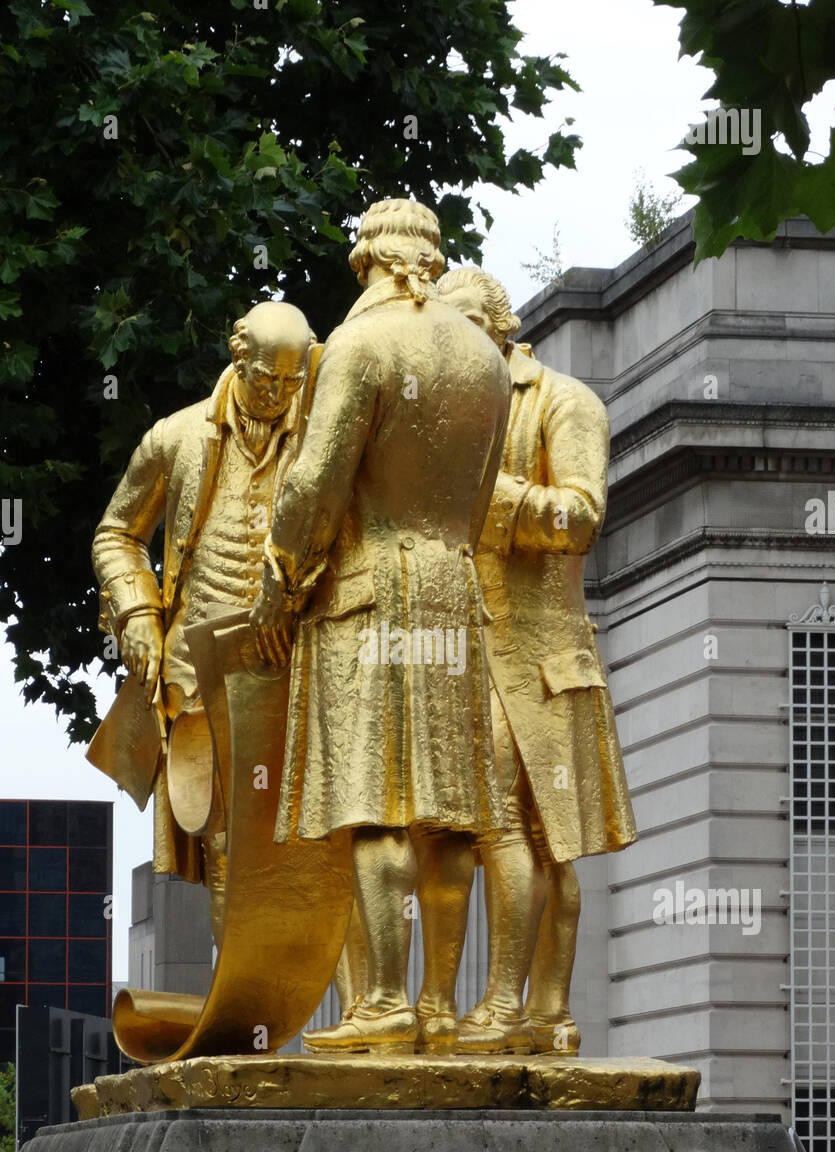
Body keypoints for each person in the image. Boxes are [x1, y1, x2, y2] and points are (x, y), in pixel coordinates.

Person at [251, 199, 511, 1053]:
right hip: (454, 587)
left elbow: (314, 488)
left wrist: (278, 585)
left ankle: (385, 1000)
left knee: (378, 807)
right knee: (452, 815)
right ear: (431, 259)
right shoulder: (484, 355)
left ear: (367, 260)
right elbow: (476, 501)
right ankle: (437, 1004)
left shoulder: (360, 343)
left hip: (369, 592)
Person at [435, 267, 637, 1054]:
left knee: (524, 833)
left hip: (544, 658)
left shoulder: (563, 400)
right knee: (499, 831)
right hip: (462, 657)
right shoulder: (443, 418)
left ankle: (515, 1007)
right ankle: (538, 1014)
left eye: (457, 326)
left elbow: (579, 516)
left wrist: (488, 490)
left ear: (497, 324)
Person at [90, 301, 314, 946]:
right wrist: (136, 612)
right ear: (237, 359)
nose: (277, 394)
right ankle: (237, 1007)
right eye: (266, 378)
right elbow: (116, 533)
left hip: (295, 661)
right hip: (196, 669)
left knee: (315, 833)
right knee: (222, 839)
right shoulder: (176, 436)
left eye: (292, 382)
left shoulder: (324, 440)